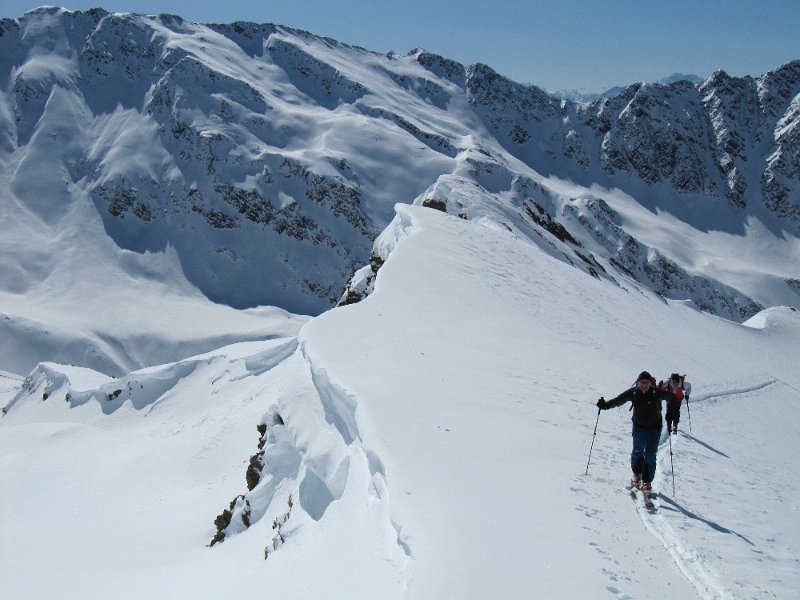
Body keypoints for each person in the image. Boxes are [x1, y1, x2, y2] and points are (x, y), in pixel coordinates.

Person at [596, 371, 676, 493]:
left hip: (654, 428)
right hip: (639, 427)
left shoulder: (656, 393)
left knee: (650, 454)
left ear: (650, 384)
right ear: (638, 382)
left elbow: (672, 397)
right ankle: (637, 474)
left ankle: (647, 481)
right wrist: (605, 405)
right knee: (637, 451)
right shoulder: (633, 392)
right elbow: (619, 400)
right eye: (642, 382)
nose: (644, 385)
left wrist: (671, 413)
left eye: (647, 383)